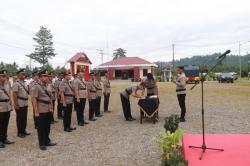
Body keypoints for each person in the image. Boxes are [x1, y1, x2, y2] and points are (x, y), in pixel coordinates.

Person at [31, 69, 56, 150]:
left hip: (48, 108)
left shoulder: (48, 85)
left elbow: (50, 98)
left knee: (47, 126)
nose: (46, 78)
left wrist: (51, 107)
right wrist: (36, 111)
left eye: (47, 76)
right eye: (44, 76)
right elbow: (34, 99)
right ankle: (42, 143)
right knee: (41, 127)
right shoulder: (36, 86)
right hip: (41, 109)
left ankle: (47, 140)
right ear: (40, 77)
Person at [12, 69, 31, 138]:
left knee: (24, 118)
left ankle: (23, 130)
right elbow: (14, 94)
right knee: (20, 118)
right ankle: (20, 132)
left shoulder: (25, 82)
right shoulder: (16, 83)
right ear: (18, 75)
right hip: (19, 103)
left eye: (24, 74)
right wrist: (16, 104)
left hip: (25, 103)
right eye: (22, 74)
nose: (23, 75)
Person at [0, 70, 14, 148]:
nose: (4, 78)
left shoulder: (7, 84)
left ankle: (4, 138)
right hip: (0, 107)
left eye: (5, 76)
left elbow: (9, 95)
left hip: (7, 106)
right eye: (2, 76)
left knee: (5, 123)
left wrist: (11, 104)